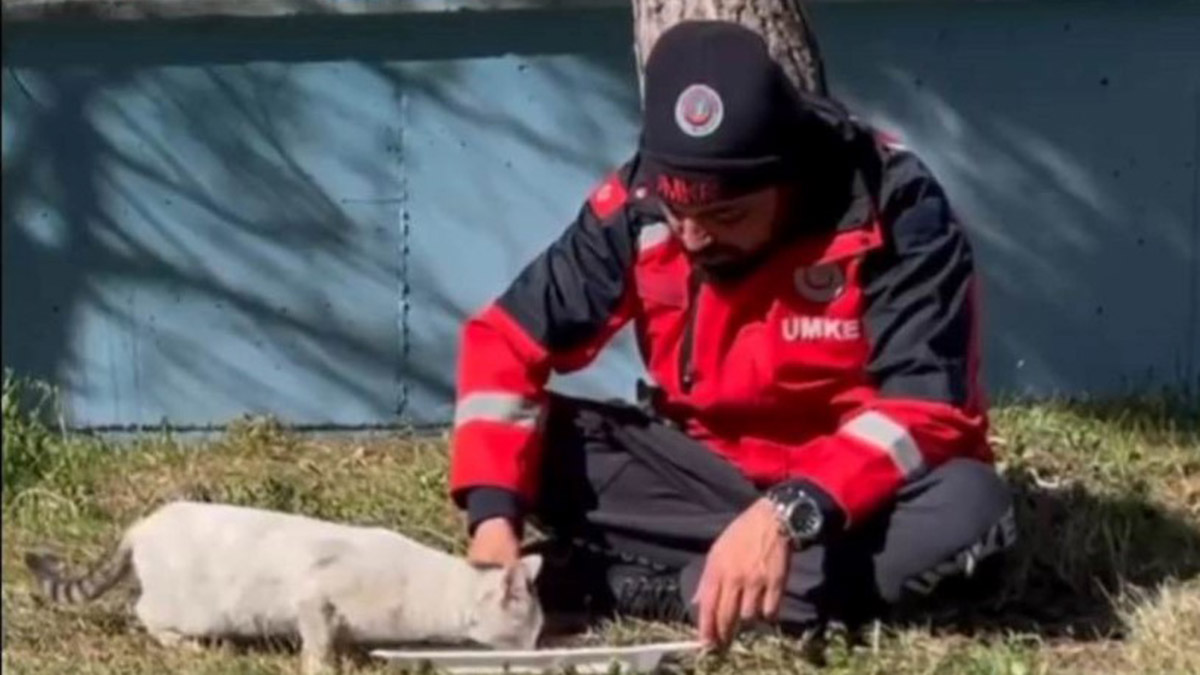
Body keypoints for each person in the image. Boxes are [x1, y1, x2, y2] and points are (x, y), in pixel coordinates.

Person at [447, 20, 1016, 649]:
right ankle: (745, 574)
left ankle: (660, 585)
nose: (693, 237)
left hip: (853, 498)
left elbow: (929, 410)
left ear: (785, 175)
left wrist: (788, 514)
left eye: (725, 215)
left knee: (969, 510)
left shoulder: (898, 207)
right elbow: (505, 340)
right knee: (535, 440)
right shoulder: (635, 203)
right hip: (704, 473)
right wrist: (493, 522)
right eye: (676, 212)